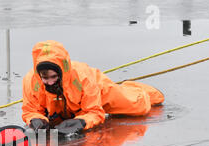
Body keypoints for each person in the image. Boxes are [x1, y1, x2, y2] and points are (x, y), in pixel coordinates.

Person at [22, 40, 165, 135]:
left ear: (61, 72)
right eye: (45, 78)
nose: (50, 82)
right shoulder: (31, 81)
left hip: (99, 90)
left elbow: (95, 112)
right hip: (64, 108)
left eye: (54, 77)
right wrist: (35, 119)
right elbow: (30, 110)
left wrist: (82, 122)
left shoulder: (83, 77)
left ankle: (140, 90)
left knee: (137, 106)